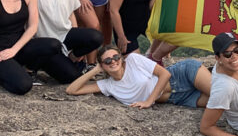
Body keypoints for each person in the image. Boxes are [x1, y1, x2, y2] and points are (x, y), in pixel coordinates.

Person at [66, 44, 212, 109]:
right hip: (178, 98)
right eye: (107, 61)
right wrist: (94, 70)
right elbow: (72, 90)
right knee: (220, 102)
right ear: (102, 65)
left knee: (223, 95)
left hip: (181, 75)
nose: (113, 61)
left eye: (116, 57)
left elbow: (165, 74)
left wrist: (149, 101)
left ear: (121, 57)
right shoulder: (107, 85)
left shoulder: (133, 60)